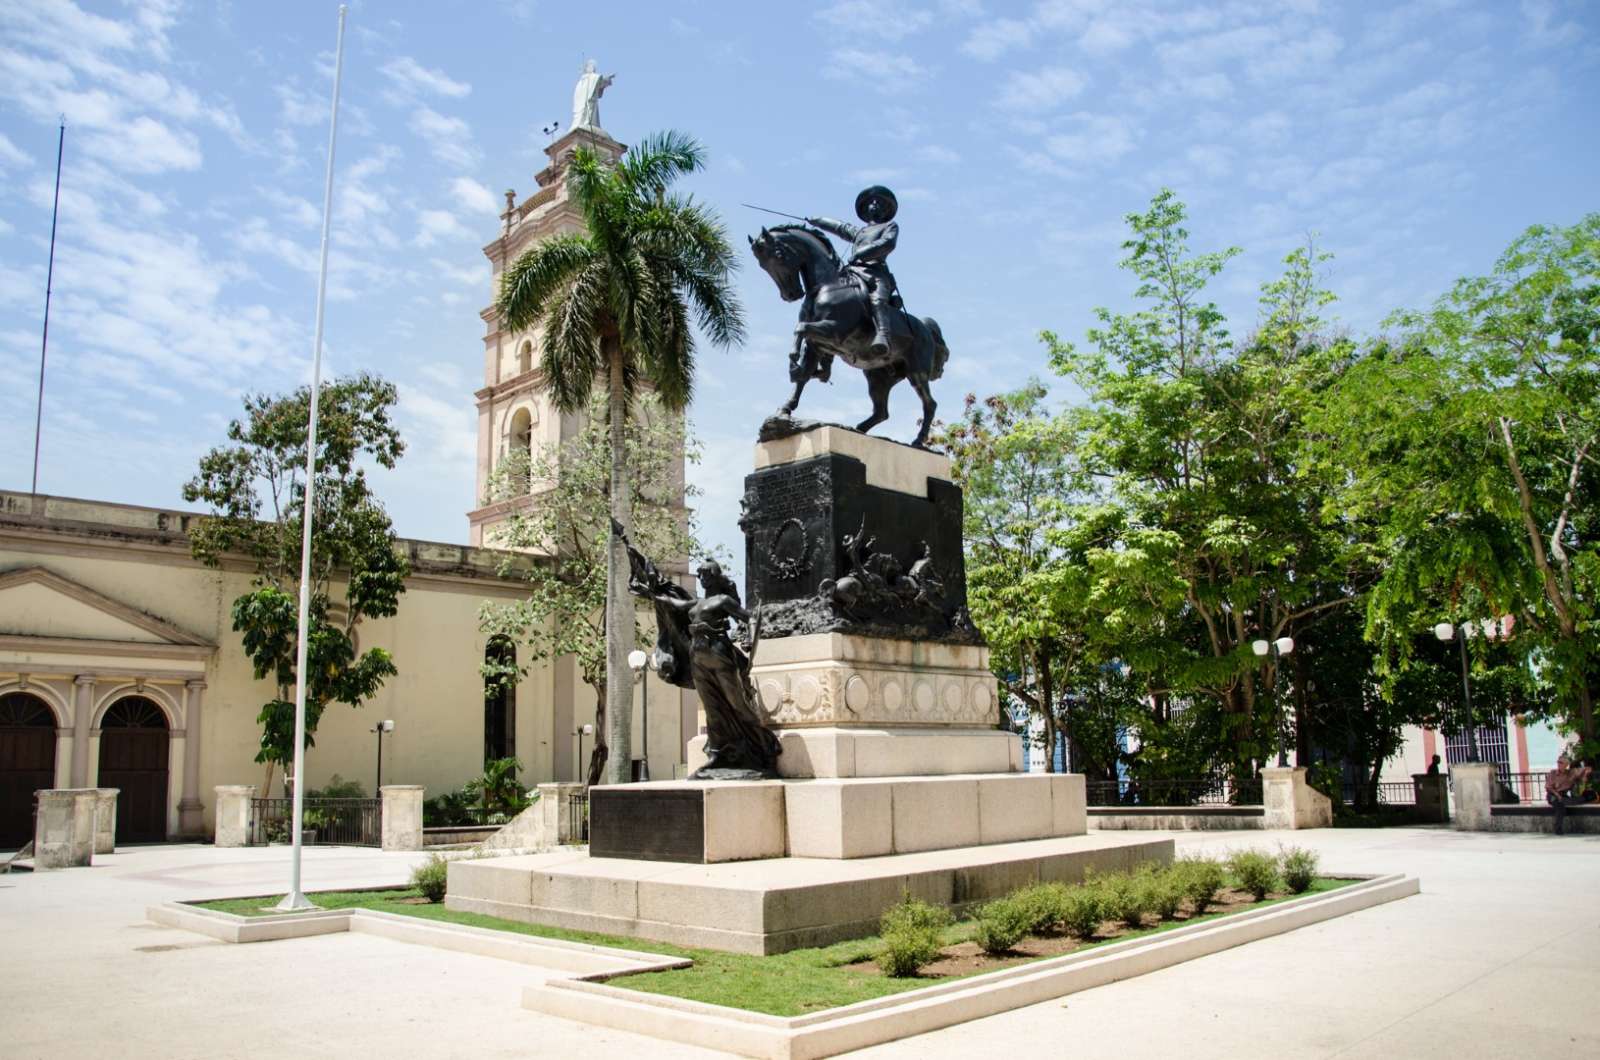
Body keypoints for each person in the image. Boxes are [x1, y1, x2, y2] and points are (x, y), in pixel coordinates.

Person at [807, 185, 901, 359]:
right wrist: (818, 221)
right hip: (854, 272)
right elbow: (840, 227)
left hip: (875, 273)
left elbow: (888, 244)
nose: (874, 205)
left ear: (886, 209)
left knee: (878, 300)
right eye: (871, 202)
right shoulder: (860, 232)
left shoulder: (889, 226)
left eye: (879, 202)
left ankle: (883, 335)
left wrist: (862, 253)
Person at [1545, 753, 1595, 835]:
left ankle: (1579, 799)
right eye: (1558, 762)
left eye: (1561, 762)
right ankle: (1558, 829)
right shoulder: (1553, 773)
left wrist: (1586, 772)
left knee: (1577, 800)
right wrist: (1558, 796)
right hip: (1553, 795)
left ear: (1566, 765)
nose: (1558, 764)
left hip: (1563, 795)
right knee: (1560, 808)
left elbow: (1587, 769)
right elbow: (1549, 788)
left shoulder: (1571, 773)